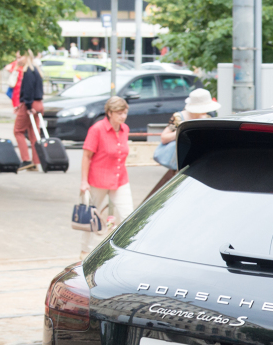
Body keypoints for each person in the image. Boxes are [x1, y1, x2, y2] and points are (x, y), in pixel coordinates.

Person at [144, 87, 218, 199]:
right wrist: (182, 130)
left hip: (198, 162)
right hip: (180, 164)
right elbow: (164, 138)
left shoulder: (208, 117)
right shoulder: (179, 117)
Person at [80, 95, 132, 253]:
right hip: (98, 179)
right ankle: (85, 252)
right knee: (90, 220)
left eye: (125, 113)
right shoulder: (97, 129)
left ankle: (124, 250)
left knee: (128, 216)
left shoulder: (125, 129)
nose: (123, 116)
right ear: (109, 113)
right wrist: (84, 181)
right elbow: (86, 156)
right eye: (119, 113)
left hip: (119, 178)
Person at [13, 52, 44, 171]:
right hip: (38, 104)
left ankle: (25, 160)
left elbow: (28, 90)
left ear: (27, 57)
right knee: (34, 134)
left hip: (30, 105)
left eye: (20, 57)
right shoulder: (36, 70)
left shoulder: (28, 72)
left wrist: (27, 104)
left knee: (18, 131)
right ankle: (36, 162)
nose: (18, 60)